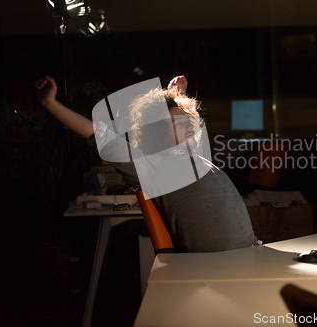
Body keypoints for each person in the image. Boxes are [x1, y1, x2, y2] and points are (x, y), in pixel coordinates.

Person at [35, 75, 260, 252]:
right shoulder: (153, 166)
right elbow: (97, 133)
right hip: (225, 265)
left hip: (250, 253)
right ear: (158, 132)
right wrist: (49, 103)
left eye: (188, 119)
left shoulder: (194, 159)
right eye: (178, 122)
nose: (189, 123)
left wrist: (177, 96)